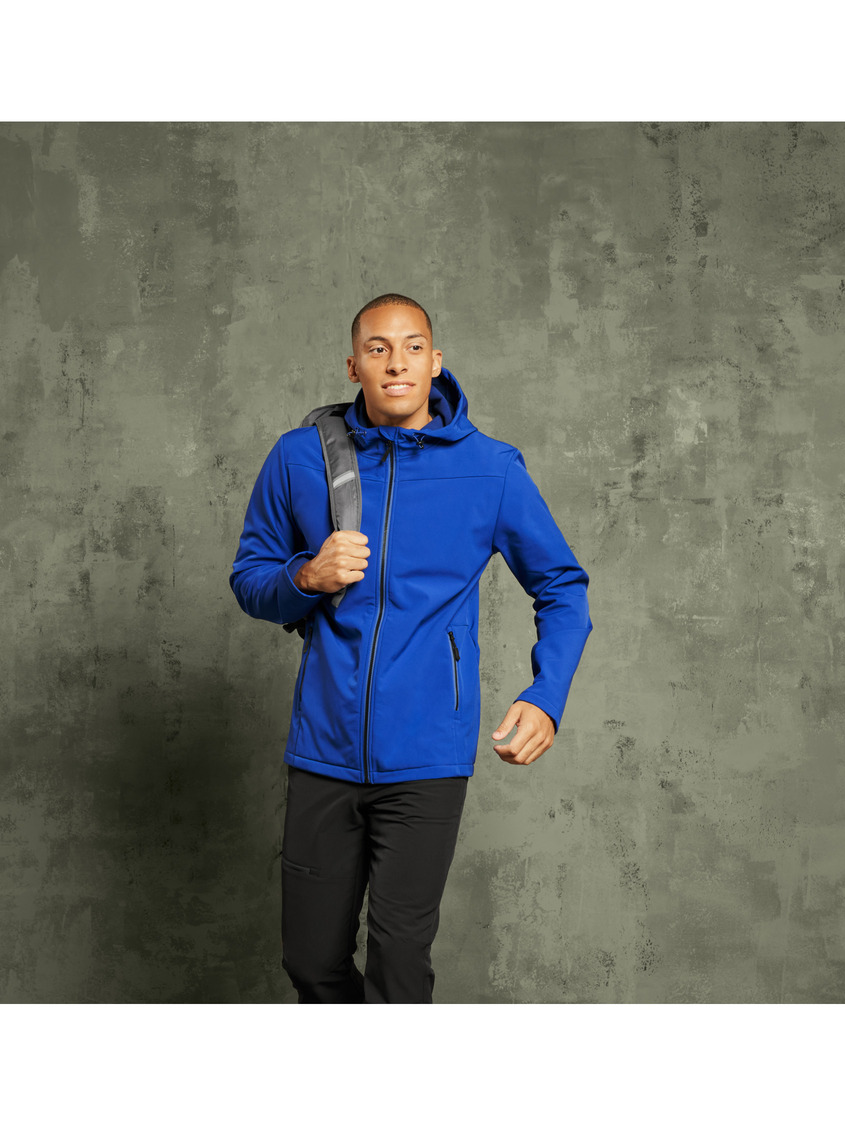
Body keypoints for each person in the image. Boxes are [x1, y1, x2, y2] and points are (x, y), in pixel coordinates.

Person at [228, 293, 593, 1003]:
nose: (396, 363)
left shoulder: (491, 469)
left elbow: (562, 587)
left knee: (398, 967)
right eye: (378, 349)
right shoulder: (300, 458)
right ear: (354, 366)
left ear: (435, 362)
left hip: (427, 760)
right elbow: (250, 579)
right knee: (311, 963)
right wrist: (307, 576)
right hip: (323, 752)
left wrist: (545, 695)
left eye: (413, 347)